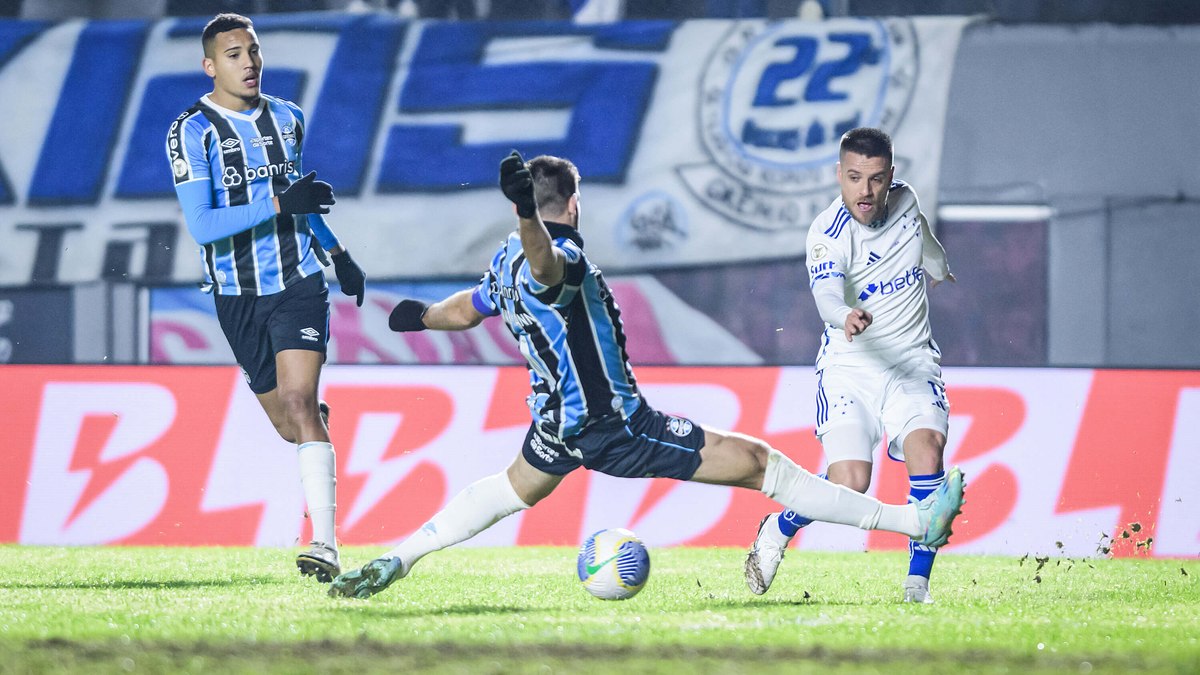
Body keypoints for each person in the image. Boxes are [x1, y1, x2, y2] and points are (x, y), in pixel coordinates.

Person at [326, 150, 964, 600]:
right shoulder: (561, 255)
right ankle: (914, 523)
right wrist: (527, 215)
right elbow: (549, 271)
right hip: (616, 424)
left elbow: (467, 308)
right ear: (573, 204)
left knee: (505, 490)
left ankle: (398, 557)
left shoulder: (500, 264)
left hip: (554, 422)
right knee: (762, 465)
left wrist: (419, 317)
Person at [166, 13, 366, 582]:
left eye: (253, 50)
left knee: (300, 405)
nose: (248, 62)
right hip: (236, 294)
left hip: (298, 282)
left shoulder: (288, 118)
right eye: (233, 54)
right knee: (290, 422)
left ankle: (324, 544)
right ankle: (312, 432)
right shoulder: (190, 131)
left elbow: (299, 201)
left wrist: (338, 253)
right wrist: (281, 205)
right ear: (210, 65)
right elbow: (203, 226)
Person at [744, 127, 957, 604]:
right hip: (850, 370)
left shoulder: (905, 201)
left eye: (876, 179)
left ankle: (916, 588)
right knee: (850, 481)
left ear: (891, 178)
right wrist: (844, 315)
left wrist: (939, 266)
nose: (865, 191)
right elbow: (824, 293)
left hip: (912, 364)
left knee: (928, 450)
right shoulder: (827, 233)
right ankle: (779, 527)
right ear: (839, 175)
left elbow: (919, 234)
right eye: (855, 178)